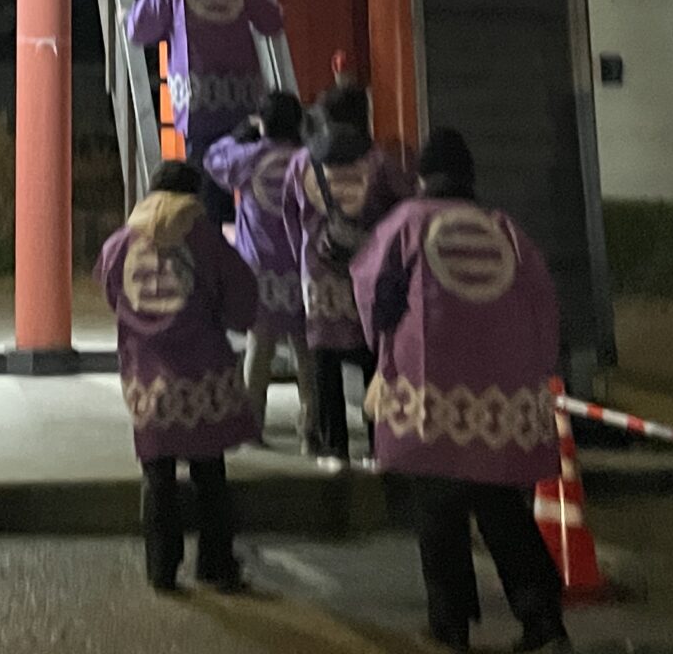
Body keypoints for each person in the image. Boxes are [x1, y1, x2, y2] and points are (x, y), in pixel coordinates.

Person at [353, 129, 569, 652]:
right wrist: (535, 371)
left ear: (423, 177)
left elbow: (372, 292)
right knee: (503, 510)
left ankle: (450, 627)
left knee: (438, 512)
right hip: (501, 400)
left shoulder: (406, 224)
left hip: (431, 396)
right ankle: (543, 621)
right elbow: (543, 307)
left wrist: (384, 351)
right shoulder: (505, 230)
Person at [99, 158, 259, 595]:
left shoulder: (121, 243)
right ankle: (215, 564)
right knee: (209, 473)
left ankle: (162, 569)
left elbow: (113, 294)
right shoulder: (204, 238)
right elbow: (241, 300)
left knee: (158, 474)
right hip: (202, 374)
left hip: (146, 375)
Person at [285, 79, 411, 465]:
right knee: (373, 353)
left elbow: (289, 217)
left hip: (318, 272)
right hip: (368, 270)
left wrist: (304, 255)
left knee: (324, 358)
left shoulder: (302, 162)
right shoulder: (379, 161)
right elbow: (403, 209)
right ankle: (378, 444)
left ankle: (334, 448)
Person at [128, 0, 284, 196]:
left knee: (203, 183)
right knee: (246, 176)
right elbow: (272, 23)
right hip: (243, 98)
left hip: (195, 99)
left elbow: (139, 30)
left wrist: (127, 16)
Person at [203, 90, 316, 442]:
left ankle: (252, 426)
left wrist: (240, 135)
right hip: (304, 267)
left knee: (260, 347)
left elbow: (213, 158)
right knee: (306, 350)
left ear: (263, 122)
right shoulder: (307, 159)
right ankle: (312, 426)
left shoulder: (251, 158)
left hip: (260, 268)